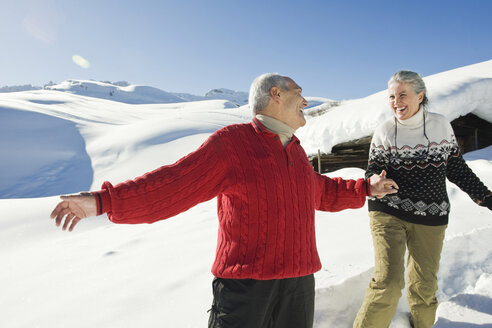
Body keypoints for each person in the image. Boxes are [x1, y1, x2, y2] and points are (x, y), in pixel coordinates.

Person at [50, 73, 398, 328]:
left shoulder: (293, 149)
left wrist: (366, 189)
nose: (306, 101)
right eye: (299, 93)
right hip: (246, 288)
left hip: (299, 285)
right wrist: (103, 201)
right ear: (275, 94)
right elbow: (173, 183)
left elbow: (319, 191)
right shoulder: (233, 144)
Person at [353, 70, 492, 328]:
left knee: (424, 285)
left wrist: (484, 196)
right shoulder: (385, 131)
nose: (396, 102)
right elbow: (372, 171)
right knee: (389, 281)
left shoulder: (440, 126)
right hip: (388, 209)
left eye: (402, 95)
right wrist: (376, 181)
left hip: (431, 214)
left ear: (420, 95)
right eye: (392, 96)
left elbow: (456, 169)